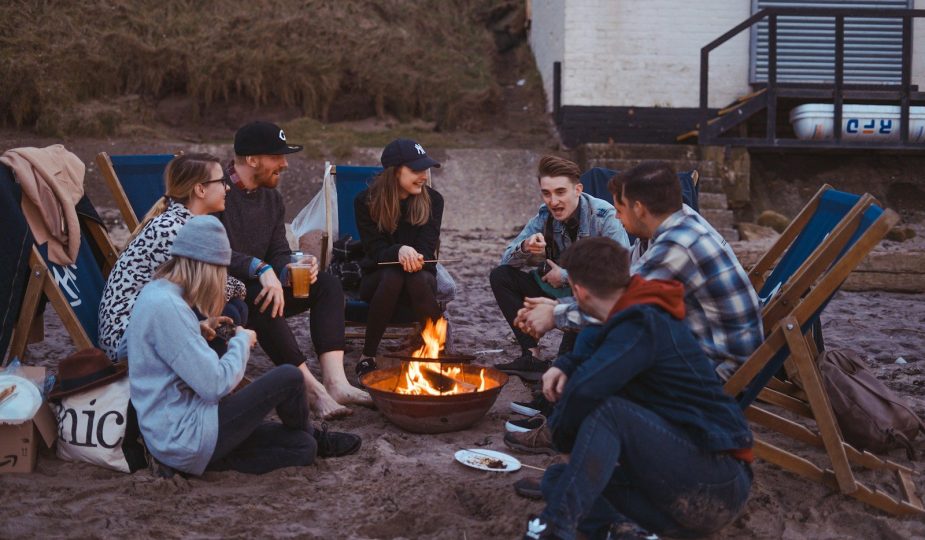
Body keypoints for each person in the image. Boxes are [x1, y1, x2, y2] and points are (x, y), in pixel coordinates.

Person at [520, 237, 753, 540]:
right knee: (558, 478)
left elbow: (586, 389)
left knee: (609, 413)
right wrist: (565, 364)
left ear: (578, 292)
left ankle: (553, 528)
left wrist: (563, 442)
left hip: (716, 481)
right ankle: (623, 531)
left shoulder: (644, 321)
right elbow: (594, 347)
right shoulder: (625, 315)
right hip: (674, 495)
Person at [125, 216, 361, 477]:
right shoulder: (168, 307)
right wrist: (241, 342)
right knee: (289, 377)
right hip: (186, 434)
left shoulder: (157, 293)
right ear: (207, 267)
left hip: (178, 435)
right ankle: (313, 433)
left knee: (302, 448)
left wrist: (198, 328)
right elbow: (214, 385)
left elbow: (160, 348)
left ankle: (305, 439)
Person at [516, 160, 763, 380]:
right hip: (699, 340)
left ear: (639, 209)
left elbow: (621, 305)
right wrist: (558, 305)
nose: (616, 217)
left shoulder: (678, 245)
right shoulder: (671, 224)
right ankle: (560, 402)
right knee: (596, 336)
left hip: (720, 365)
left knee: (605, 347)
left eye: (619, 210)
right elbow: (622, 284)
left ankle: (565, 406)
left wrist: (555, 314)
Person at [217, 121, 371, 420]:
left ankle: (336, 382)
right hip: (226, 292)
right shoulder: (216, 191)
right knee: (262, 297)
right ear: (252, 159)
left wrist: (289, 267)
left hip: (266, 283)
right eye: (277, 157)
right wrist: (260, 269)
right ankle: (312, 390)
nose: (285, 164)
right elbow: (212, 250)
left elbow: (277, 249)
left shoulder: (272, 198)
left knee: (327, 284)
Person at [490, 155, 629, 382]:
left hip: (592, 300)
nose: (553, 201)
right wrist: (525, 247)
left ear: (578, 189)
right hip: (557, 292)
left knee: (565, 370)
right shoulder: (544, 216)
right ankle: (531, 356)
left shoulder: (604, 216)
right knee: (501, 276)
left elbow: (621, 273)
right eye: (546, 193)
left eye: (560, 192)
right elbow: (505, 260)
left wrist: (564, 275)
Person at [98, 153, 248, 360]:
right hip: (128, 339)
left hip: (151, 322)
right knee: (227, 310)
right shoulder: (172, 230)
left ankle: (212, 368)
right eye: (222, 181)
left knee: (235, 308)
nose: (227, 187)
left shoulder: (180, 222)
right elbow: (209, 289)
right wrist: (241, 286)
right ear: (200, 189)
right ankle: (208, 371)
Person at [353, 138, 444, 376]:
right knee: (393, 274)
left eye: (425, 169)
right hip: (378, 281)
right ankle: (368, 355)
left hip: (420, 280)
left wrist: (413, 256)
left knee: (415, 276)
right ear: (394, 172)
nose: (423, 176)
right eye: (416, 170)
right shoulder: (365, 202)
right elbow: (375, 251)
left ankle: (437, 353)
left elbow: (427, 249)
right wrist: (399, 250)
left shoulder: (434, 201)